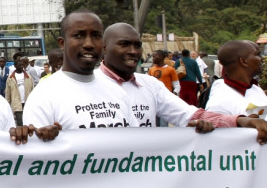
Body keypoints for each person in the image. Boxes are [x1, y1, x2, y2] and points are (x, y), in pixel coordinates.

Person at [96, 23, 267, 142]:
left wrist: (240, 121)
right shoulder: (86, 84)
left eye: (137, 45)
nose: (133, 51)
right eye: (124, 45)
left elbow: (192, 115)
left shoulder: (150, 84)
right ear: (104, 48)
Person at [23, 10, 135, 130]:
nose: (88, 44)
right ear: (62, 43)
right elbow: (37, 145)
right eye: (78, 36)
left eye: (96, 36)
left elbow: (136, 141)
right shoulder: (43, 96)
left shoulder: (118, 92)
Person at [206, 40, 267, 118]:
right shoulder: (220, 102)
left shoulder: (254, 87)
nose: (261, 58)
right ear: (243, 61)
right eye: (258, 55)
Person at [5, 53, 35, 126]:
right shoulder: (10, 78)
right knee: (20, 123)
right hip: (17, 104)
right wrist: (7, 105)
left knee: (28, 121)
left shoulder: (28, 77)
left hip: (27, 102)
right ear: (15, 66)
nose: (21, 67)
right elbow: (8, 94)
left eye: (22, 65)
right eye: (19, 65)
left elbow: (32, 90)